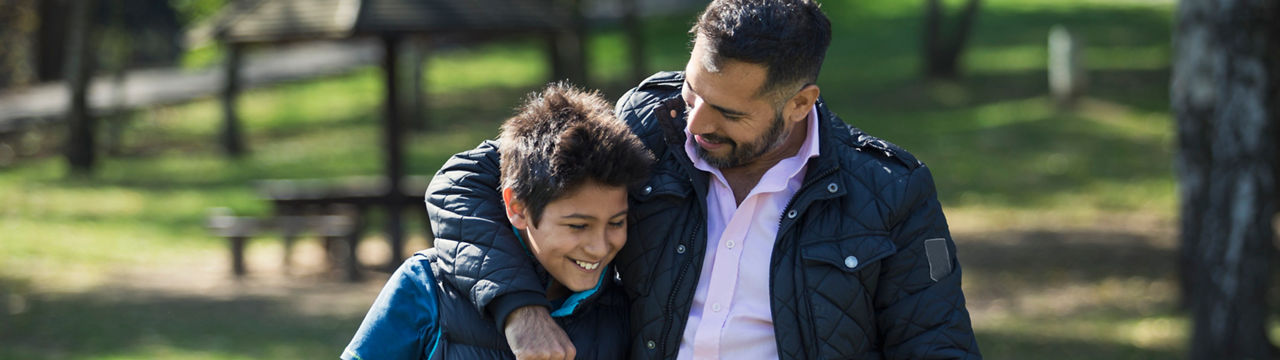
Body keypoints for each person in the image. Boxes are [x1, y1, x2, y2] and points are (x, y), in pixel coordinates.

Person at [426, 0, 982, 358]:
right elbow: (462, 182)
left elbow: (936, 346)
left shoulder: (890, 190)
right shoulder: (648, 122)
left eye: (728, 113)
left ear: (799, 104)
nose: (694, 122)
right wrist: (521, 313)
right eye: (694, 90)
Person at [341, 83, 655, 359]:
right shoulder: (427, 286)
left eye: (616, 222)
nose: (599, 247)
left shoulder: (628, 311)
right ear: (517, 207)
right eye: (577, 226)